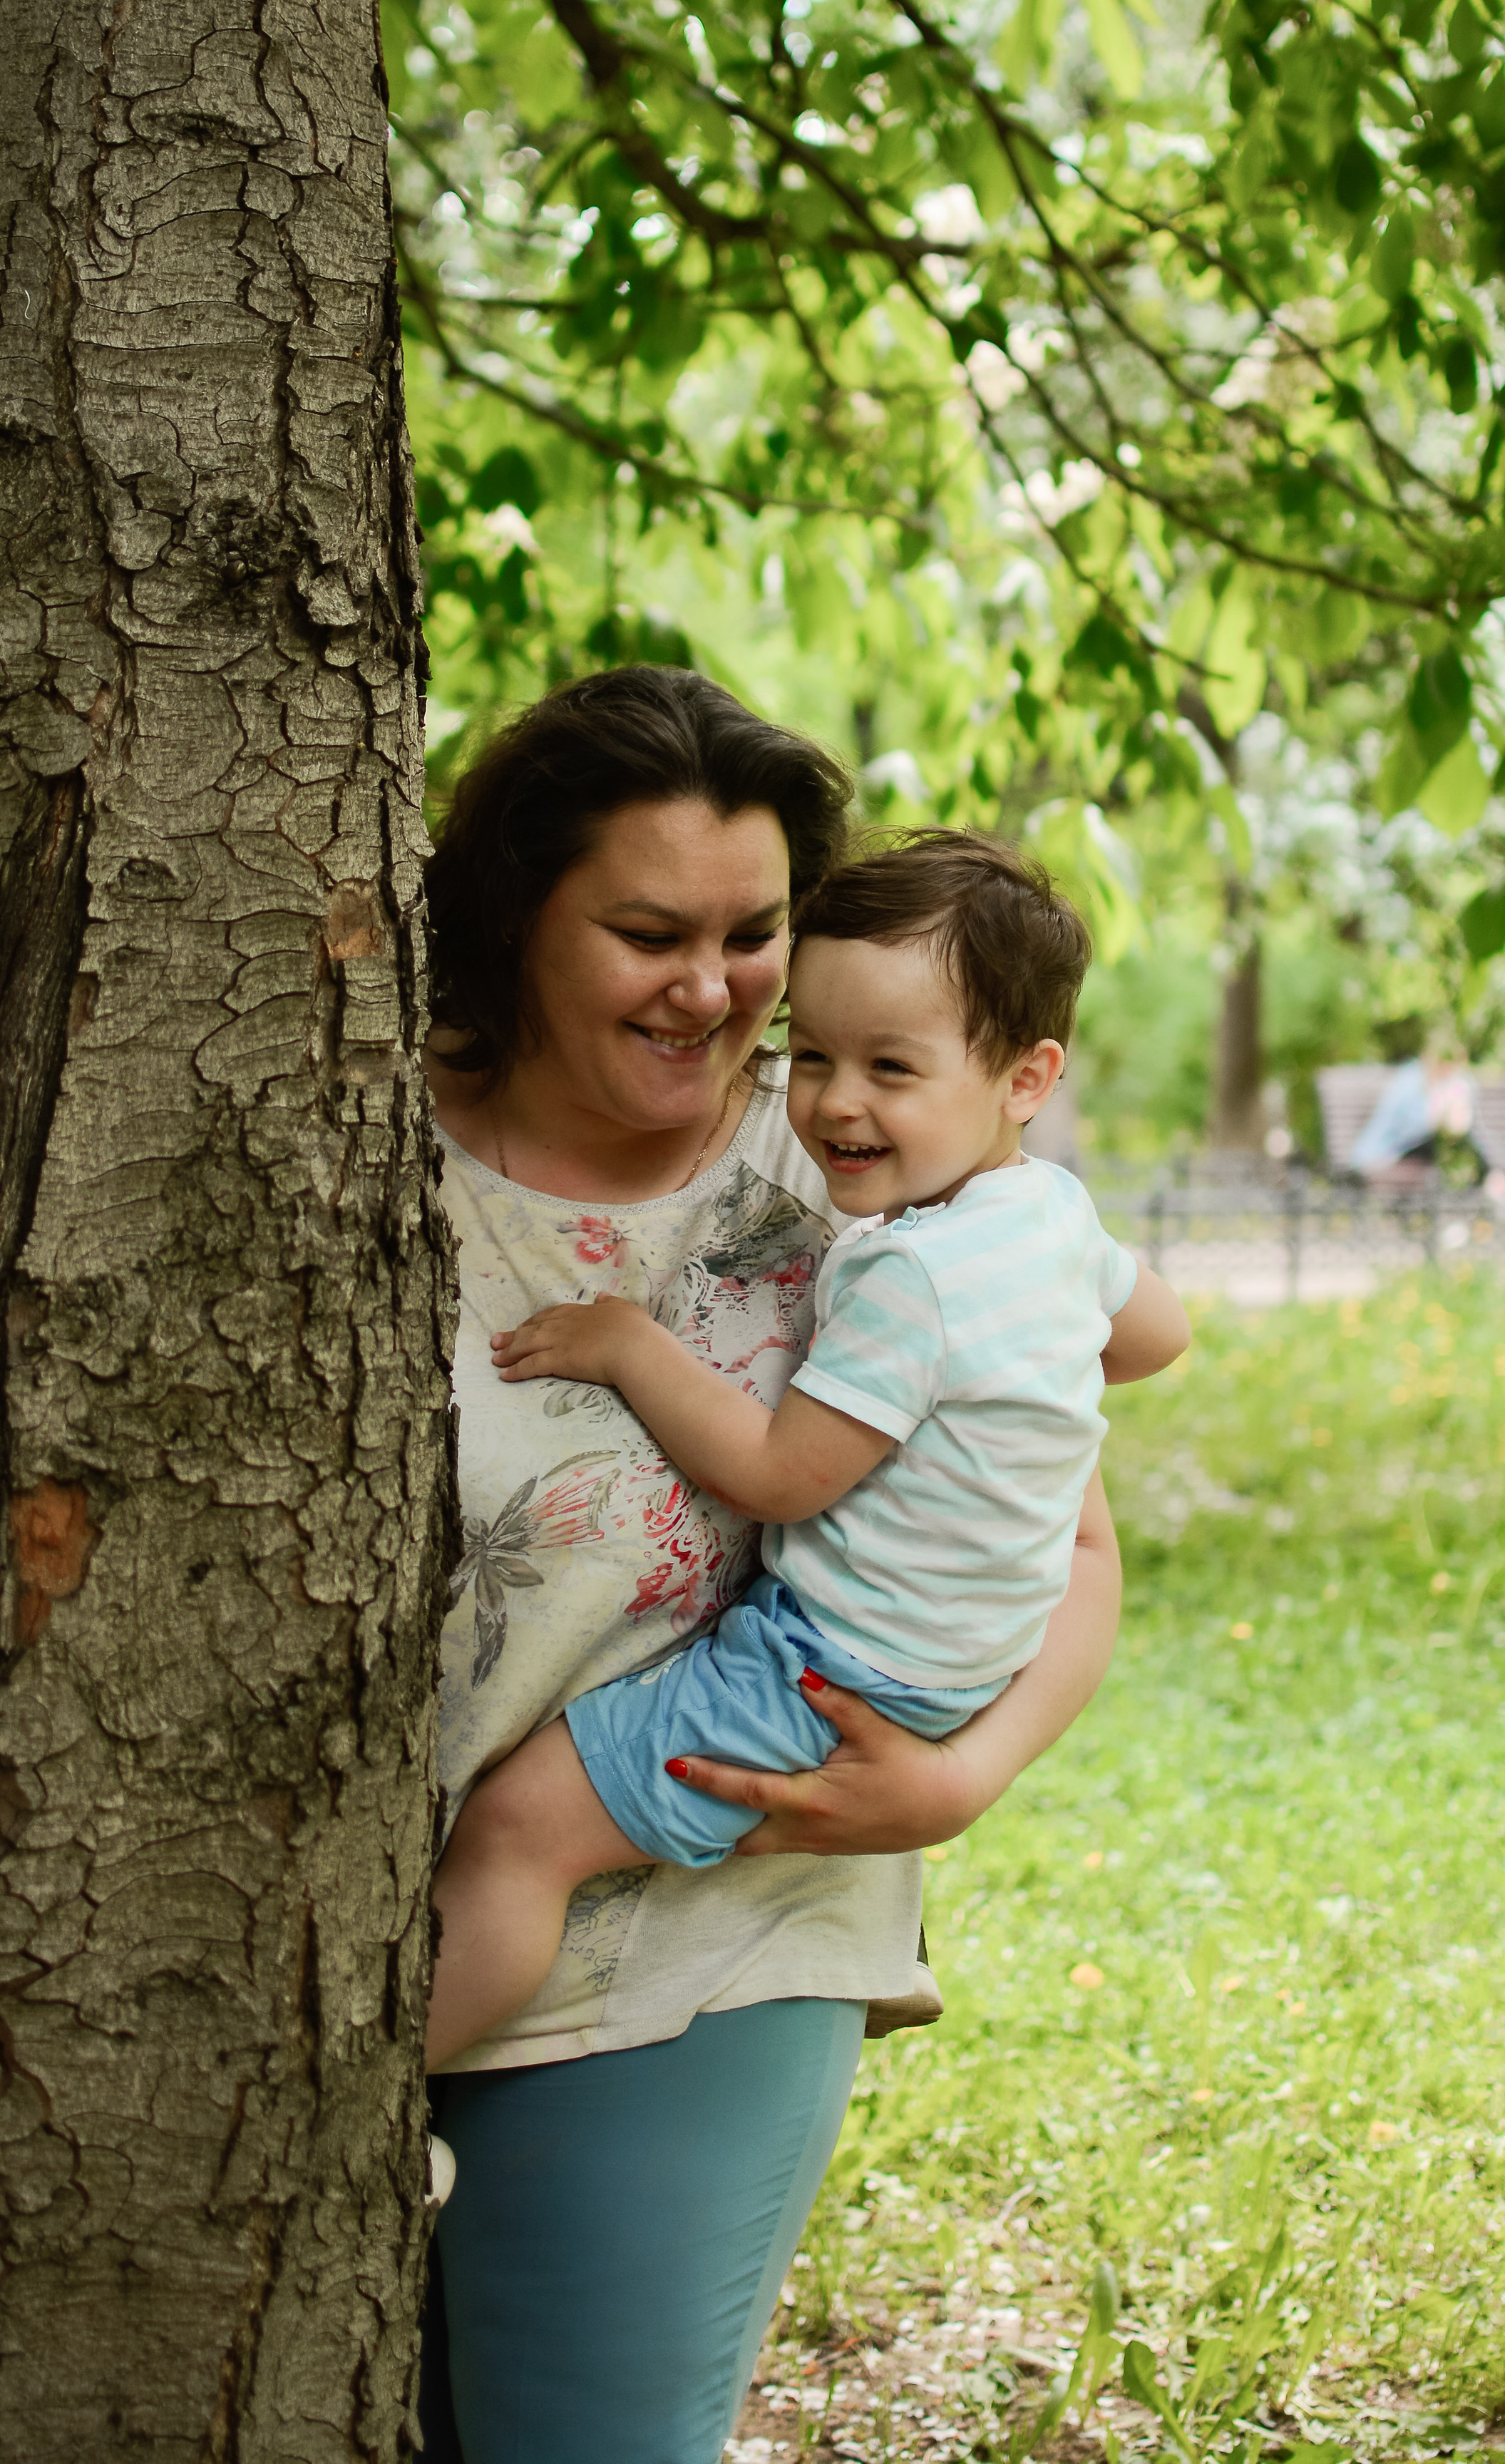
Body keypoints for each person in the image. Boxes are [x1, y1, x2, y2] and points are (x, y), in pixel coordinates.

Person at [418, 667, 1132, 2464]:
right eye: (648, 931)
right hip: (304, 1947)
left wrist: (957, 1777)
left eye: (753, 938)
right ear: (514, 919)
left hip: (706, 1948)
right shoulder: (325, 1133)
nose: (715, 992)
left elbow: (1069, 1535)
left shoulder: (874, 1172)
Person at [424, 832, 1191, 2067]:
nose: (837, 1102)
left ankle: (362, 2110)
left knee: (522, 1833)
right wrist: (1025, 1352)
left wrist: (630, 1346)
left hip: (829, 1673)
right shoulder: (1048, 1215)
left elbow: (781, 1474)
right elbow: (1159, 1334)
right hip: (946, 1664)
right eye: (817, 1054)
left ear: (1026, 1077)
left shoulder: (907, 1271)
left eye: (893, 1067)